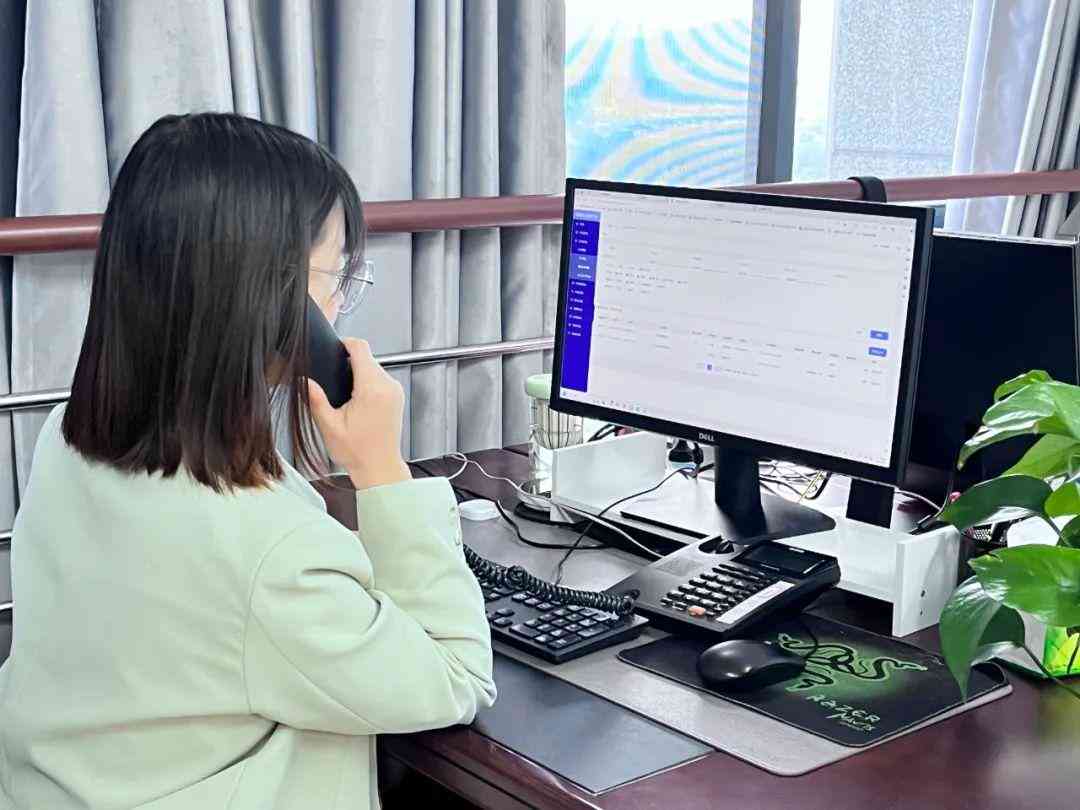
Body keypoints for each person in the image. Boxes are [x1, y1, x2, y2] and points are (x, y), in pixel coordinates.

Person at [0, 113, 495, 810]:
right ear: (268, 293)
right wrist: (384, 469)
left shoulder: (66, 439)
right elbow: (456, 676)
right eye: (336, 275)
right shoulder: (268, 552)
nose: (339, 305)